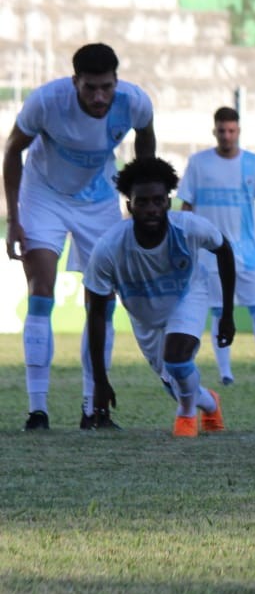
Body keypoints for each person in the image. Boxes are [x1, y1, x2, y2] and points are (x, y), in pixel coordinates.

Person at [3, 43, 156, 431]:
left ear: (117, 82)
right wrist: (14, 218)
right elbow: (11, 150)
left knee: (101, 301)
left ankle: (94, 409)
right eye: (90, 88)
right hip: (44, 195)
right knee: (41, 290)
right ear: (75, 83)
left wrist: (135, 197)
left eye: (106, 86)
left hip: (99, 197)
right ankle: (38, 410)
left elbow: (146, 139)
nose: (99, 96)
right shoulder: (46, 102)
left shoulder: (135, 102)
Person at [84, 157, 236, 437]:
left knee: (177, 359)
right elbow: (95, 314)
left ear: (168, 201)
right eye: (142, 202)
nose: (151, 209)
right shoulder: (109, 248)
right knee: (178, 385)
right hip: (145, 319)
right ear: (129, 204)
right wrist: (99, 381)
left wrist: (227, 314)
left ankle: (186, 416)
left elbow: (224, 249)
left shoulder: (189, 228)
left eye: (158, 200)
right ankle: (209, 402)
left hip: (187, 295)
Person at [178, 106, 255, 387]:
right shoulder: (198, 163)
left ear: (238, 131)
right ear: (214, 131)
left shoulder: (253, 163)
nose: (226, 135)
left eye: (231, 130)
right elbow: (186, 204)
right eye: (222, 130)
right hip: (209, 254)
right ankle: (226, 374)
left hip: (248, 253)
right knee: (218, 311)